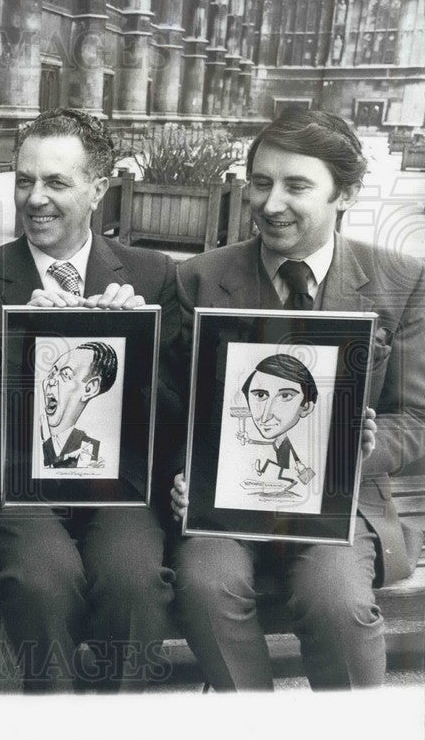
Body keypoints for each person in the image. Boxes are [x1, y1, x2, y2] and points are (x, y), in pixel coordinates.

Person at [170, 108, 424, 690]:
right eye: (261, 182)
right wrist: (187, 474)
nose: (271, 203)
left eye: (297, 185)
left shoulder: (401, 281)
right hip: (226, 507)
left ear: (346, 193)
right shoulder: (201, 279)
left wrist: (364, 444)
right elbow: (171, 405)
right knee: (206, 586)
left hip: (340, 503)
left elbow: (416, 416)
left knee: (336, 603)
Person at [0, 107, 181, 692]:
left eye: (56, 182)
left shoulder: (152, 276)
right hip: (19, 488)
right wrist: (24, 352)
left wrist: (133, 348)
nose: (35, 198)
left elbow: (180, 410)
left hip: (120, 489)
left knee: (134, 579)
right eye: (24, 180)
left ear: (98, 189)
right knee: (42, 579)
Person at [238, 354, 317, 495]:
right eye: (260, 395)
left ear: (306, 407)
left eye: (285, 396)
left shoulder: (306, 445)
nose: (266, 415)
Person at [40, 342, 118, 469]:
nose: (51, 381)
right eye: (52, 373)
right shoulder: (35, 432)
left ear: (89, 389)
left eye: (65, 374)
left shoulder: (90, 450)